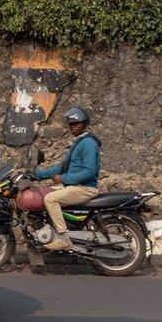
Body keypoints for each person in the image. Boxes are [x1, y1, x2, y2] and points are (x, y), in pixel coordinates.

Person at [34, 107, 101, 251]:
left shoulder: (88, 143)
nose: (73, 127)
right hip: (75, 186)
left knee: (50, 199)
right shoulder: (79, 142)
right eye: (71, 124)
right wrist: (38, 174)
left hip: (85, 188)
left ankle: (63, 238)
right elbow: (63, 167)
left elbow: (90, 171)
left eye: (76, 123)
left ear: (84, 123)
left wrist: (64, 178)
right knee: (44, 192)